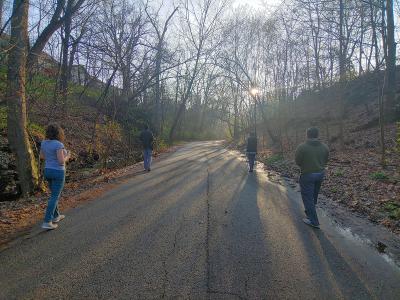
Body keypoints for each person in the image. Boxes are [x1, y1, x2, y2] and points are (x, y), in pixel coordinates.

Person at [295, 127, 329, 229]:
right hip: (320, 174)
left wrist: (306, 166)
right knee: (314, 195)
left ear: (307, 135)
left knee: (308, 197)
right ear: (317, 135)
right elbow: (326, 160)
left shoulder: (302, 147)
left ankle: (314, 221)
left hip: (307, 175)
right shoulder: (325, 147)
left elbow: (298, 161)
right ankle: (310, 211)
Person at [40, 123, 71, 230]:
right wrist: (67, 156)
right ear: (59, 133)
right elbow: (61, 162)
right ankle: (47, 221)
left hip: (47, 171)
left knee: (53, 194)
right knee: (55, 196)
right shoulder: (58, 144)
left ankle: (56, 216)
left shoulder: (44, 143)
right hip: (58, 172)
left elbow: (42, 157)